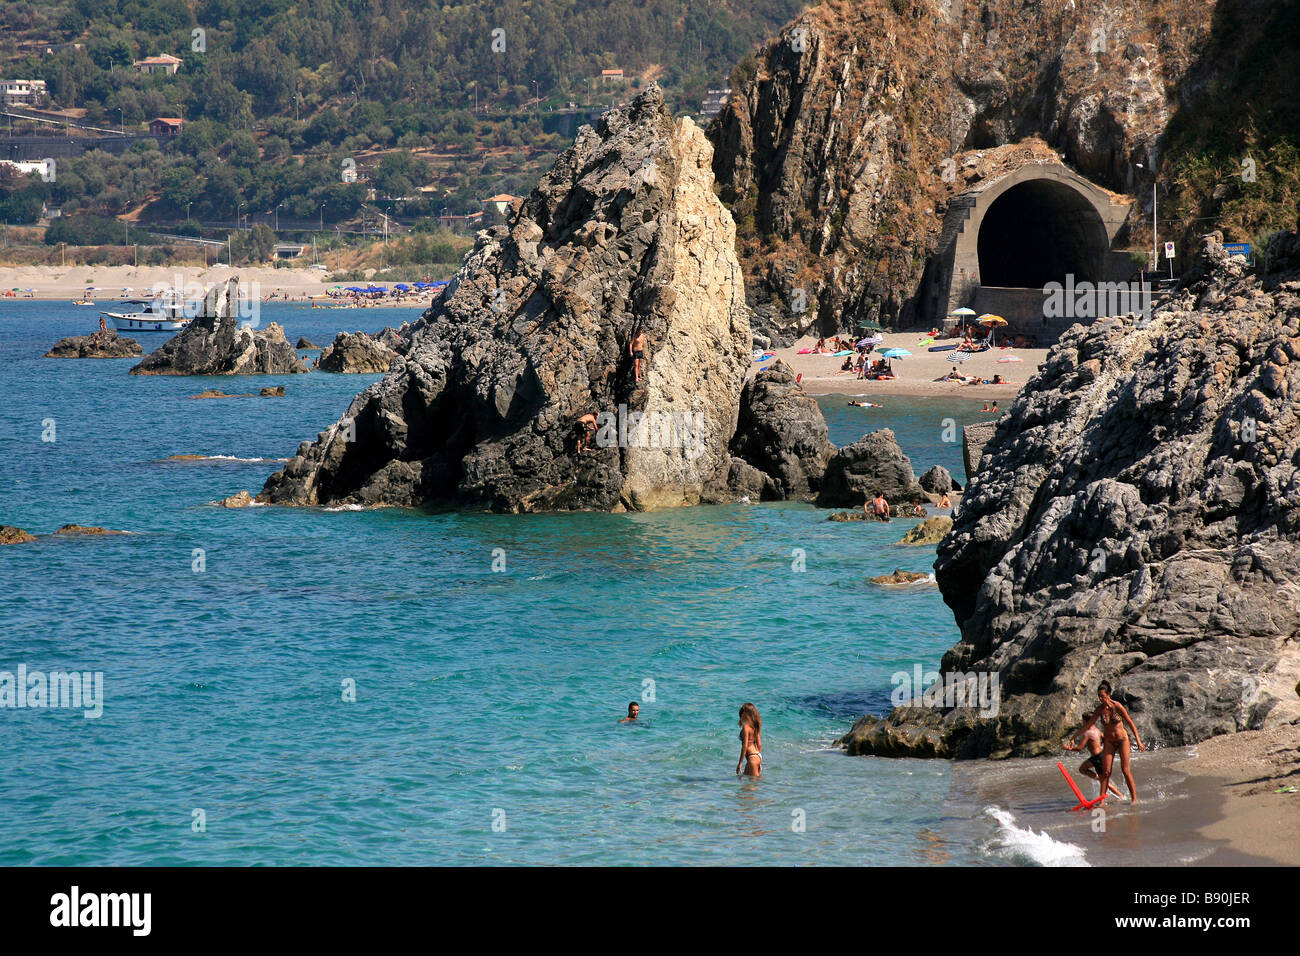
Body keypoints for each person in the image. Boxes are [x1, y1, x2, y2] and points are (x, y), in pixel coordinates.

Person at [1074, 681, 1145, 803]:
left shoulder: (1117, 706)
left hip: (1123, 740)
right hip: (1109, 742)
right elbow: (1088, 726)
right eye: (1099, 696)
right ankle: (1102, 801)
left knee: (1125, 770)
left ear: (1109, 694)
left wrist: (1138, 741)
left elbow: (1130, 722)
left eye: (1103, 695)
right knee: (1106, 772)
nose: (1101, 698)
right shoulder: (1099, 710)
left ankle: (1134, 799)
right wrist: (1072, 738)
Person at [1063, 710, 1125, 800]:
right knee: (1083, 769)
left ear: (1085, 721)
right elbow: (1105, 739)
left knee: (1103, 781)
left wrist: (1068, 748)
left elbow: (1080, 748)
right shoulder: (1098, 730)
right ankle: (1100, 781)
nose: (1082, 722)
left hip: (1098, 757)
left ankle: (1121, 796)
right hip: (1099, 756)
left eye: (1083, 720)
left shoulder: (1088, 733)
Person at [736, 702, 762, 777]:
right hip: (756, 756)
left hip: (752, 758)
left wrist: (740, 763)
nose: (740, 716)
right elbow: (759, 744)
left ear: (746, 714)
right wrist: (759, 760)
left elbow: (745, 746)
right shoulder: (754, 726)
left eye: (741, 713)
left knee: (750, 787)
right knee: (746, 785)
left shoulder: (746, 727)